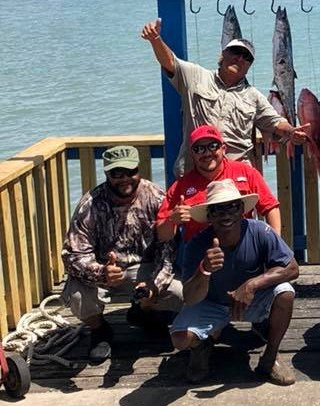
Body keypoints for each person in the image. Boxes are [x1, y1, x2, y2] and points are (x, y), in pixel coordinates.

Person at [170, 179, 299, 386]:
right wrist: (204, 270)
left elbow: (292, 268)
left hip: (251, 301)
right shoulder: (196, 244)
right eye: (218, 209)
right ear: (209, 216)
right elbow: (190, 297)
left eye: (232, 206)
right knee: (180, 338)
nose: (226, 214)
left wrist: (252, 284)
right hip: (211, 303)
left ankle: (271, 356)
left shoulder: (260, 231)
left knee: (285, 292)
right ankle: (201, 347)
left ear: (241, 209)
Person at [140, 18, 310, 173]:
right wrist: (155, 39)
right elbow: (170, 62)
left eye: (247, 57)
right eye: (235, 51)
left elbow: (276, 122)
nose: (240, 58)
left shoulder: (253, 96)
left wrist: (292, 131)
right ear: (222, 55)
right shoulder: (196, 76)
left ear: (249, 66)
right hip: (195, 172)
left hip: (237, 175)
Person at [61, 146, 182, 361]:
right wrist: (101, 272)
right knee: (76, 294)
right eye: (116, 173)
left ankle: (143, 312)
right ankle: (100, 330)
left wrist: (155, 284)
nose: (124, 178)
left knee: (179, 292)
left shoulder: (156, 197)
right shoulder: (90, 204)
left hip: (143, 270)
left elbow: (168, 250)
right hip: (104, 271)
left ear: (139, 170)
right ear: (107, 173)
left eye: (130, 171)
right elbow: (72, 255)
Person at [155, 125, 281, 243]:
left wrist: (275, 245)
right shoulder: (180, 186)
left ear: (223, 149)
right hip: (200, 253)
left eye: (213, 146)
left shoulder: (245, 172)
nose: (207, 153)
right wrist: (173, 220)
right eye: (199, 149)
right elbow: (162, 236)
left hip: (242, 247)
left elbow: (270, 208)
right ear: (192, 154)